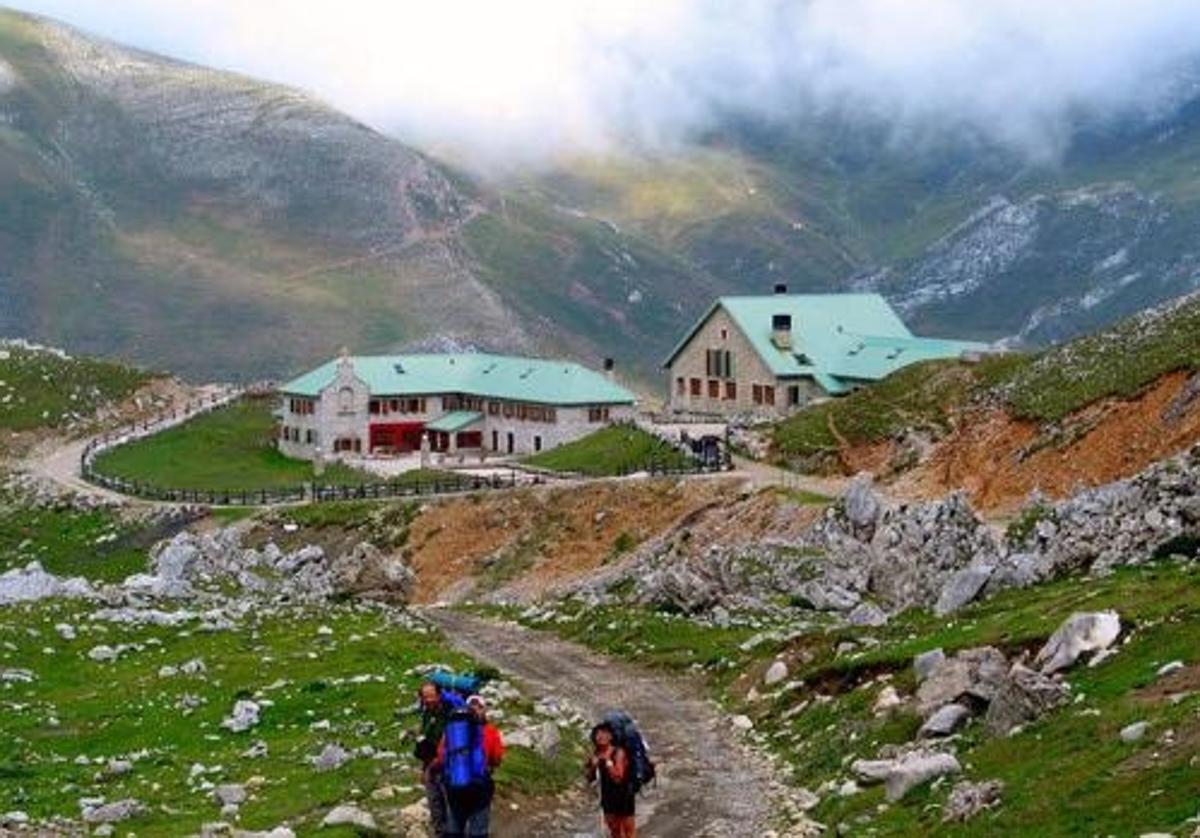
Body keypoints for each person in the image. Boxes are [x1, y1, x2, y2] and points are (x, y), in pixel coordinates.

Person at [431, 694, 505, 838]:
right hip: (480, 787)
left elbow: (440, 756)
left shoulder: (452, 730)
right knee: (478, 828)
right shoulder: (490, 731)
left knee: (454, 825)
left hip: (455, 786)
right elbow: (496, 759)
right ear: (484, 711)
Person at [414, 681, 455, 837]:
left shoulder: (449, 714)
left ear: (439, 695)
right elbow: (425, 741)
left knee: (450, 808)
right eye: (425, 697)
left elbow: (446, 746)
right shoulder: (427, 713)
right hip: (431, 767)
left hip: (447, 768)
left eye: (431, 696)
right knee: (436, 808)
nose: (428, 700)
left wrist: (429, 768)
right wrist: (424, 768)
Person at [586, 721, 636, 838]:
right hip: (607, 798)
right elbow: (589, 778)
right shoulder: (595, 755)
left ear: (611, 736)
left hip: (624, 796)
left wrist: (608, 763)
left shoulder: (618, 752)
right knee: (614, 831)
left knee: (629, 831)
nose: (601, 736)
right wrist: (593, 766)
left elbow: (618, 777)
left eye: (604, 733)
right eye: (597, 734)